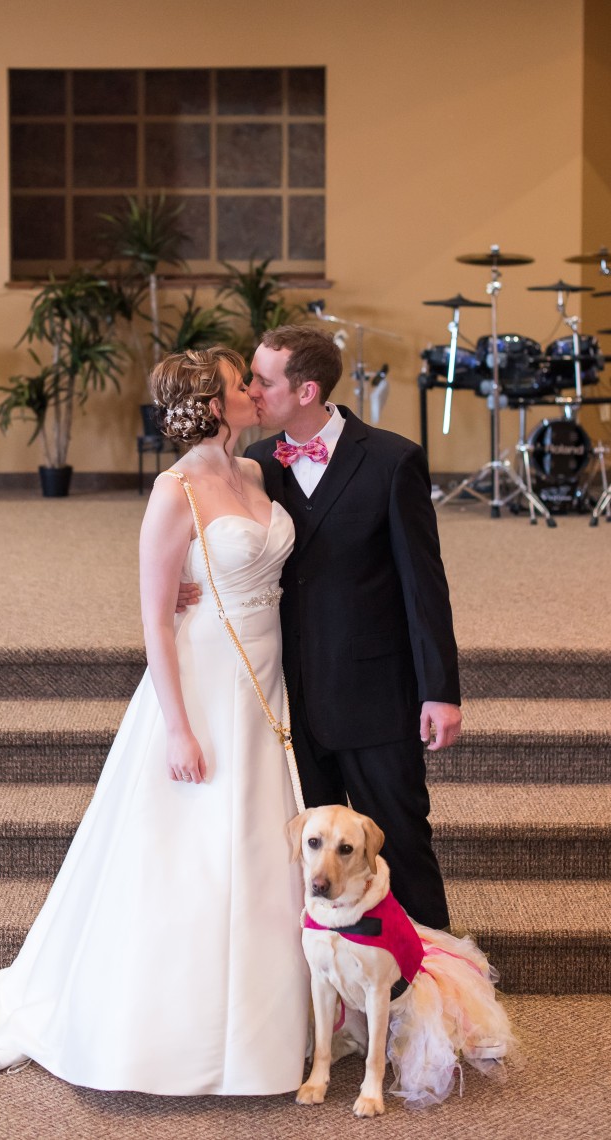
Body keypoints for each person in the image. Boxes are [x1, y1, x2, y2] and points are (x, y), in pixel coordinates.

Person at [0, 347, 310, 1096]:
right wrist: (177, 728)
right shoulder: (172, 490)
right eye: (241, 383)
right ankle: (171, 1032)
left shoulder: (252, 475)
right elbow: (154, 621)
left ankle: (263, 1025)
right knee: (193, 848)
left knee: (255, 841)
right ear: (214, 403)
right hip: (204, 681)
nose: (252, 390)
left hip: (264, 679)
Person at [243, 325, 461, 931]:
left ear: (306, 389)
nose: (251, 390)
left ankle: (432, 993)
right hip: (288, 696)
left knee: (401, 849)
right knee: (316, 863)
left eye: (263, 379)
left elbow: (425, 585)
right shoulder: (256, 464)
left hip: (375, 691)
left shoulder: (392, 460)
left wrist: (440, 689)